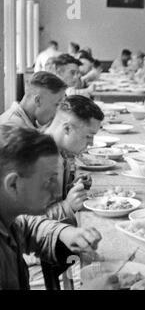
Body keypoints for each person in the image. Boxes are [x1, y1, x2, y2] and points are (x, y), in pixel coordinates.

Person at [0, 125, 109, 290]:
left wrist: (64, 232)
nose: (56, 191)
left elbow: (24, 226)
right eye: (49, 181)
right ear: (13, 184)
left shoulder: (7, 215)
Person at [0, 72, 67, 129]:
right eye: (56, 104)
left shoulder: (31, 122)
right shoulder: (11, 126)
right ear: (38, 101)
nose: (58, 111)